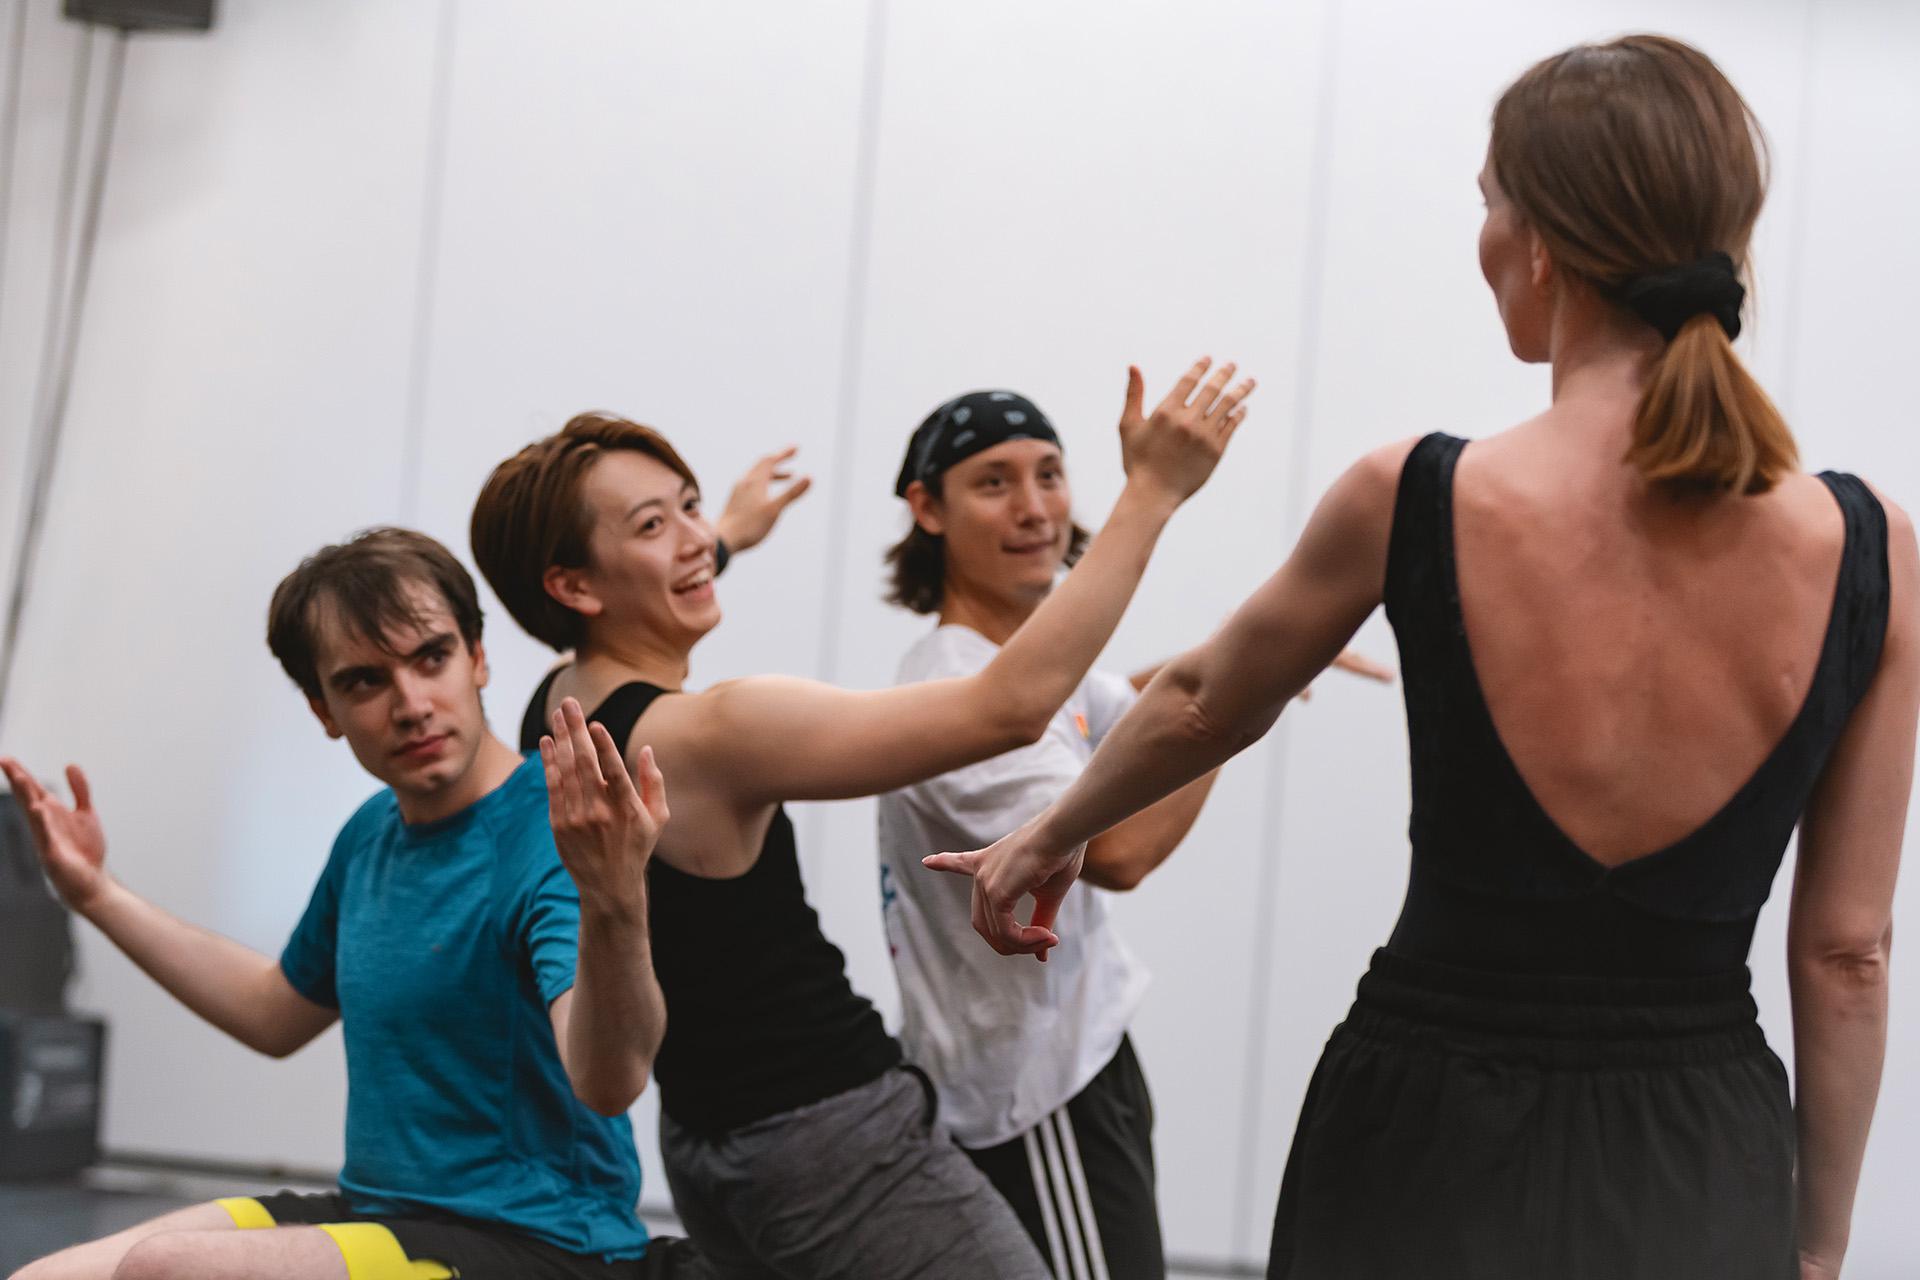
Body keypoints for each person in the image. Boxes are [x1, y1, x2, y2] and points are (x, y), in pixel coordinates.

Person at [927, 35, 1916, 1280]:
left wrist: (1048, 834)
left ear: (1540, 244)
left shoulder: (1417, 495)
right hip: (1700, 1153)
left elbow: (1204, 702)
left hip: (1427, 1133)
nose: (1484, 235)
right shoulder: (1872, 547)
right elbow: (1847, 952)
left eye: (1490, 201)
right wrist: (1817, 1239)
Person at [468, 360, 1253, 1279]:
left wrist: (728, 536)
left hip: (707, 1146)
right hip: (833, 1147)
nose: (694, 540)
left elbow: (645, 587)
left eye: (691, 508)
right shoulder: (715, 732)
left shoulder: (559, 705)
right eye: (654, 526)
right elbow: (1009, 706)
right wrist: (1153, 492)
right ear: (572, 587)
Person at [3, 528, 674, 1280]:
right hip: (380, 1211)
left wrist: (617, 902)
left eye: (432, 658)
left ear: (478, 658)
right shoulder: (370, 835)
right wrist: (95, 893)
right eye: (365, 682)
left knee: (170, 1270)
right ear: (324, 710)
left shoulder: (552, 833)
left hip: (541, 1242)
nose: (412, 705)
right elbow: (275, 1012)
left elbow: (609, 1081)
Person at [875, 389, 1390, 1280]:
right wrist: (1249, 683)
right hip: (1036, 1101)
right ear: (927, 508)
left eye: (1049, 475)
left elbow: (1128, 704)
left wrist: (1241, 653)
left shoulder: (1027, 673)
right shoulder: (957, 691)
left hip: (1077, 1068)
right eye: (993, 482)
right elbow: (1118, 852)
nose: (1034, 508)